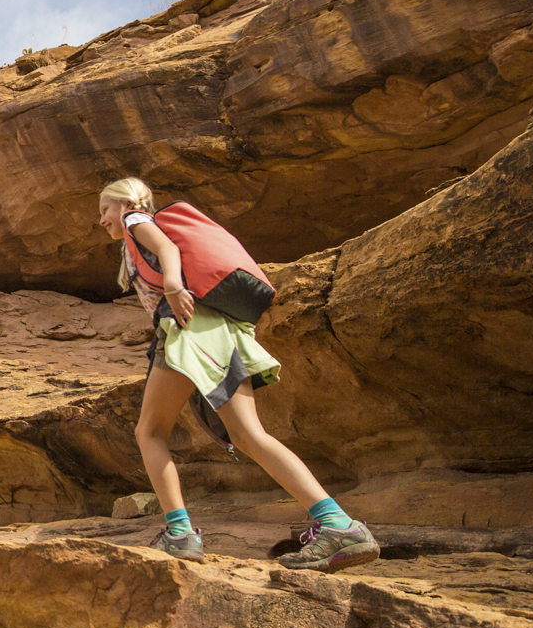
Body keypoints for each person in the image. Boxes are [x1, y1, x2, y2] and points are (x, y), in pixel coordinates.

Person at [97, 176, 378, 572]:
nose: (102, 220)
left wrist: (175, 287)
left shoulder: (135, 219)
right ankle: (338, 526)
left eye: (104, 210)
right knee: (250, 435)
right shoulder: (135, 228)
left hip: (187, 327)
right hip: (219, 331)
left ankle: (179, 535)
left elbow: (166, 247)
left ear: (122, 202)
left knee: (150, 431)